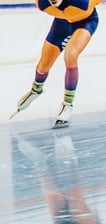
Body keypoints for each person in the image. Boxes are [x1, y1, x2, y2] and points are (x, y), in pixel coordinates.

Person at [13, 0, 100, 128]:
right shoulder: (42, 3)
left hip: (86, 22)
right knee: (43, 64)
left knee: (71, 55)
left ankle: (67, 104)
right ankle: (36, 89)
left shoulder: (83, 2)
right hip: (61, 25)